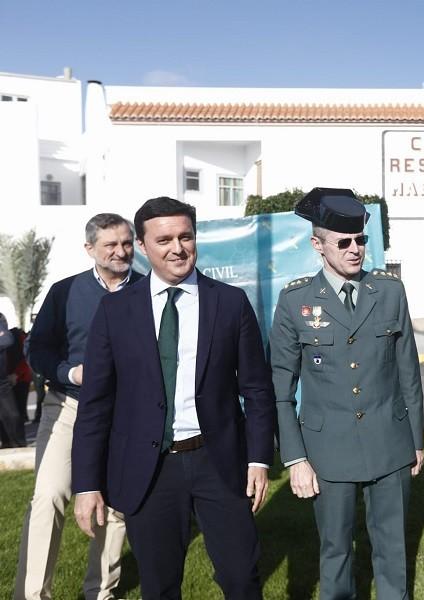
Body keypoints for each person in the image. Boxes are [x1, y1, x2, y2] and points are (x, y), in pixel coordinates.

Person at [71, 197, 275, 599]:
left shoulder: (230, 303)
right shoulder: (115, 311)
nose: (177, 248)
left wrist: (258, 458)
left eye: (186, 236)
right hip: (150, 468)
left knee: (241, 578)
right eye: (164, 239)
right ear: (143, 246)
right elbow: (96, 403)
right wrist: (87, 482)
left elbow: (256, 388)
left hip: (219, 462)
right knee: (160, 585)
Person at [270, 187, 424, 599]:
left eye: (361, 240)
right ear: (317, 245)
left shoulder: (389, 291)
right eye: (344, 242)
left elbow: (409, 371)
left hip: (390, 442)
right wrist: (296, 457)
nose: (355, 249)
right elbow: (281, 390)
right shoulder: (296, 301)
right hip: (328, 448)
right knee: (335, 551)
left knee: (393, 550)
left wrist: (417, 441)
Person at [16, 213, 139, 600]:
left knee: (115, 504)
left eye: (127, 243)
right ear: (90, 249)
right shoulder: (65, 291)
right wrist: (71, 373)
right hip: (68, 406)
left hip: (127, 415)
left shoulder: (151, 290)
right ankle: (32, 594)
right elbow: (36, 348)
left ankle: (101, 592)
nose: (121, 252)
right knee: (49, 495)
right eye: (111, 245)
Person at [0, 311, 25, 448]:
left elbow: (7, 339)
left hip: (2, 382)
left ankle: (19, 444)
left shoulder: (0, 319)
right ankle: (6, 443)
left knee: (13, 415)